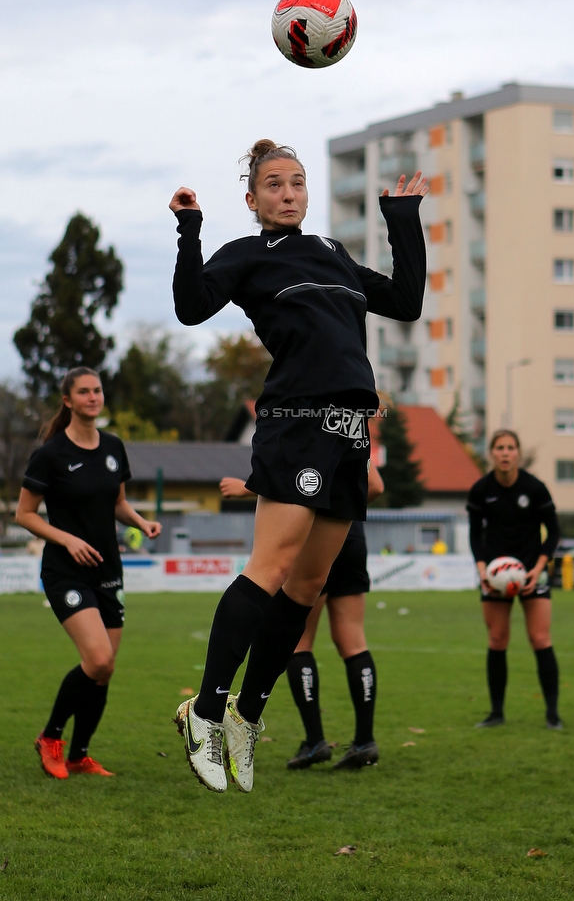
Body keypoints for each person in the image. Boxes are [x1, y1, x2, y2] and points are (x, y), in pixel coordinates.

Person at [170, 139, 427, 793]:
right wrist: (190, 229)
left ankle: (245, 718)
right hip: (295, 423)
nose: (288, 193)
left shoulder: (333, 255)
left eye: (297, 183)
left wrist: (403, 218)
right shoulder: (248, 255)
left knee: (306, 589)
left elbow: (404, 299)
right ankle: (205, 710)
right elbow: (192, 305)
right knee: (273, 567)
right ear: (254, 200)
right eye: (274, 185)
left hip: (348, 435)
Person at [16, 367, 162, 779]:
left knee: (105, 668)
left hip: (108, 571)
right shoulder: (51, 454)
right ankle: (50, 737)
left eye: (97, 390)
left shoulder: (114, 446)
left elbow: (117, 503)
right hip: (65, 571)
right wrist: (67, 540)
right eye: (83, 392)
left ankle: (80, 755)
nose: (93, 397)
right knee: (96, 660)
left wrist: (141, 522)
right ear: (68, 400)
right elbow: (24, 514)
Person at [220, 462, 384, 771]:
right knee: (354, 642)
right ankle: (364, 740)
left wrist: (246, 488)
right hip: (351, 536)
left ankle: (315, 740)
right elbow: (375, 485)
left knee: (300, 642)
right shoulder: (348, 429)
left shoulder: (306, 428)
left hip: (316, 537)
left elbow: (289, 482)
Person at [466, 429, 562, 730]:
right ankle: (496, 713)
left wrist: (539, 567)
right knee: (497, 640)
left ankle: (552, 715)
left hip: (532, 573)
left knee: (540, 638)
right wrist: (483, 570)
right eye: (499, 447)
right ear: (491, 453)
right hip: (495, 577)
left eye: (510, 448)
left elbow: (554, 532)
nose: (505, 453)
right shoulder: (481, 489)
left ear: (518, 453)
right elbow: (474, 534)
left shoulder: (535, 488)